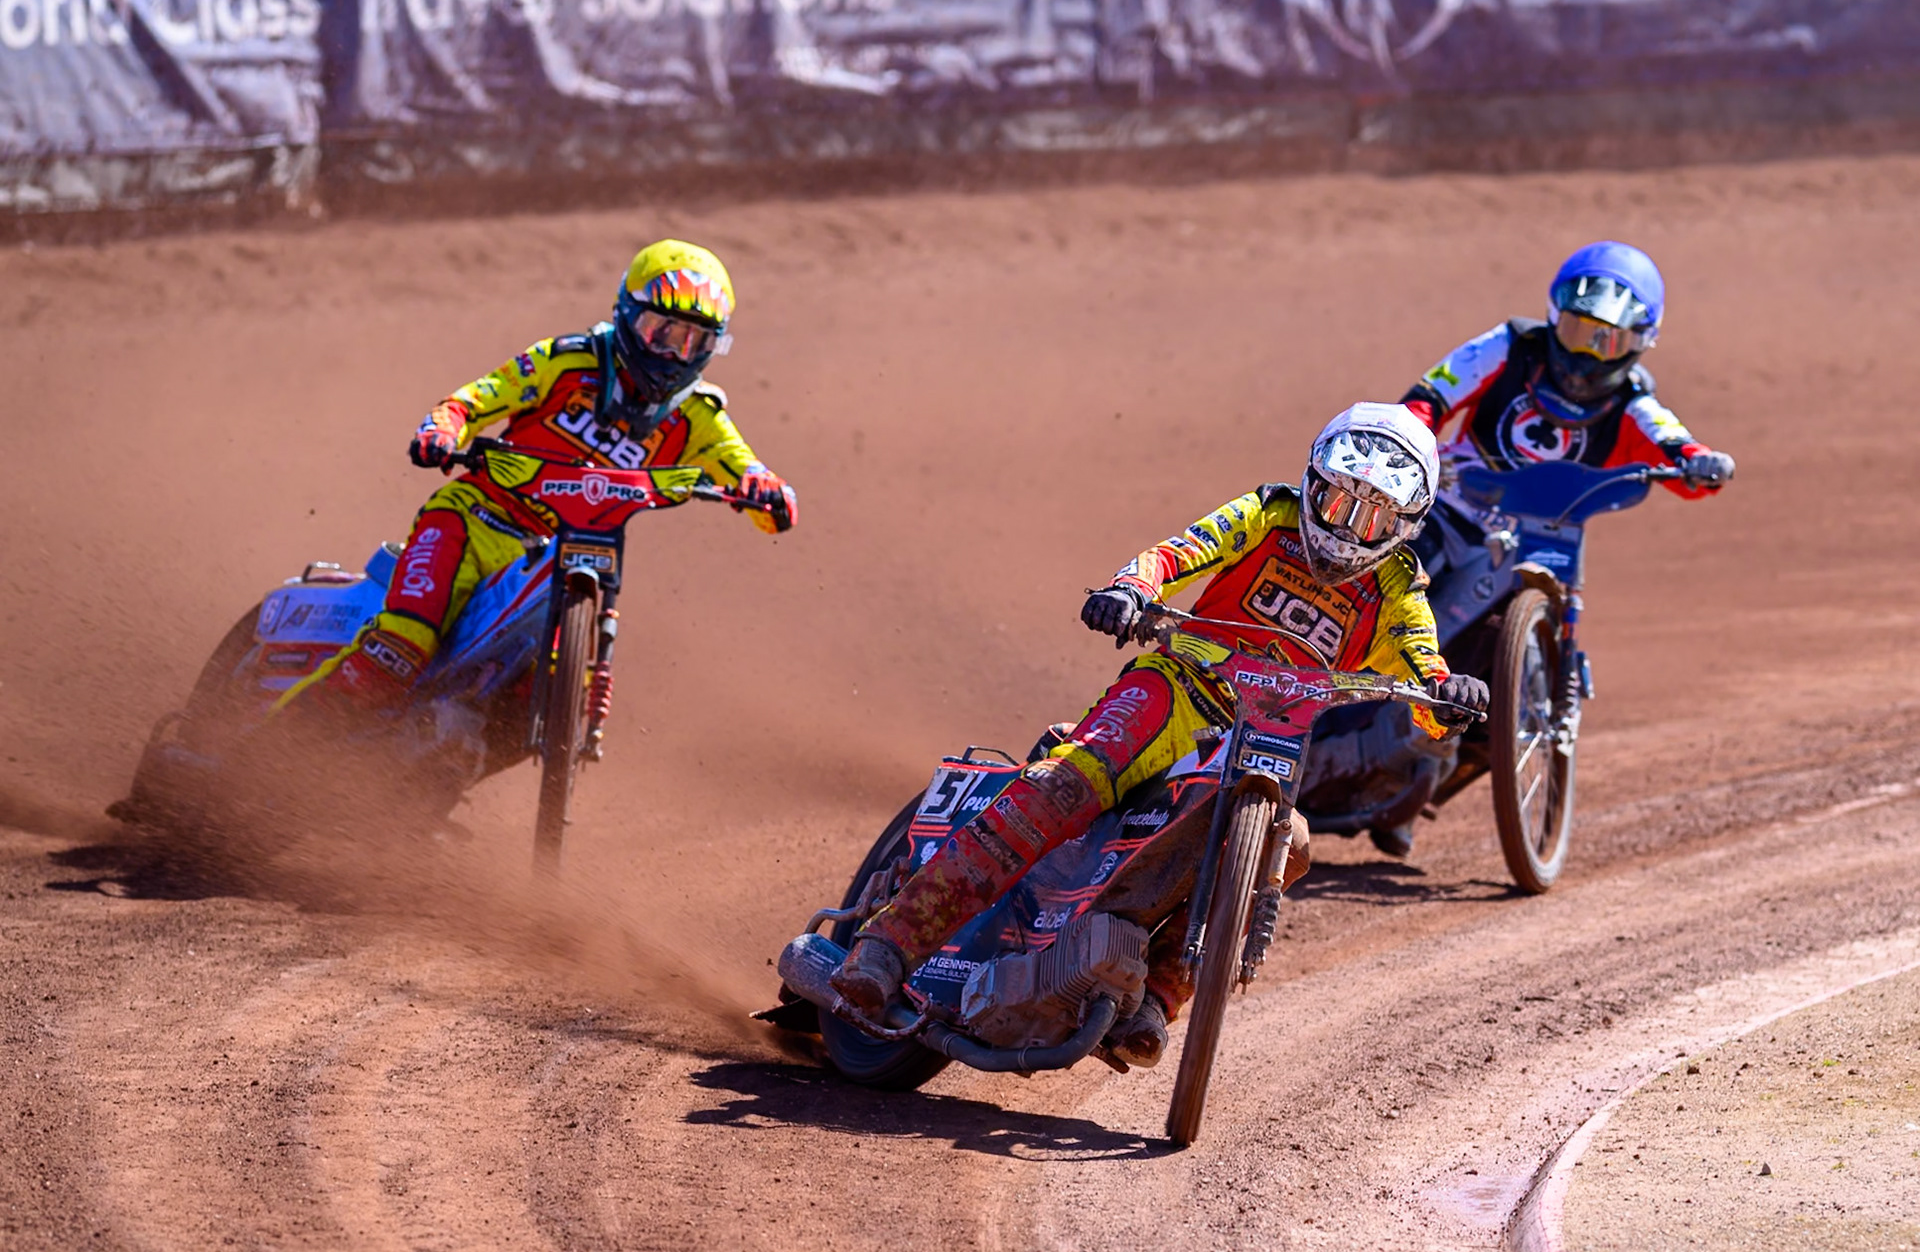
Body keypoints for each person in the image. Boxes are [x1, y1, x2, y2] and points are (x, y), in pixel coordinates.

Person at [831, 403, 1489, 1069]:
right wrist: (1129, 588)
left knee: (1286, 846)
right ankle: (885, 947)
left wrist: (1451, 697)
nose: (1348, 528)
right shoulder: (1269, 513)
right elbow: (1179, 553)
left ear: (1402, 527)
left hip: (1266, 736)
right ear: (1313, 482)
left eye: (1371, 516)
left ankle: (1157, 999)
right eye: (1338, 500)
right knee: (1065, 783)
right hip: (1178, 686)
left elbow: (1424, 674)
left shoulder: (1401, 590)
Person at [277, 239, 796, 721]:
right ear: (629, 316)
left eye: (694, 340)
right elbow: (474, 400)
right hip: (473, 523)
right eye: (663, 333)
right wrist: (441, 428)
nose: (674, 354)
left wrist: (767, 492)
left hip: (563, 555)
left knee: (557, 702)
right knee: (396, 655)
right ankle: (256, 758)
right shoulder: (566, 361)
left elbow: (748, 474)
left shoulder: (699, 417)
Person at [1402, 240, 1736, 498]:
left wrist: (1702, 464)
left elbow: (1675, 443)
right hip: (1448, 502)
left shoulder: (1635, 406)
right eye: (1575, 331)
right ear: (1553, 315)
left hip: (1541, 539)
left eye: (1606, 341)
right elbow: (1428, 400)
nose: (1585, 354)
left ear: (1639, 341)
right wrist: (1403, 446)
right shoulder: (1509, 346)